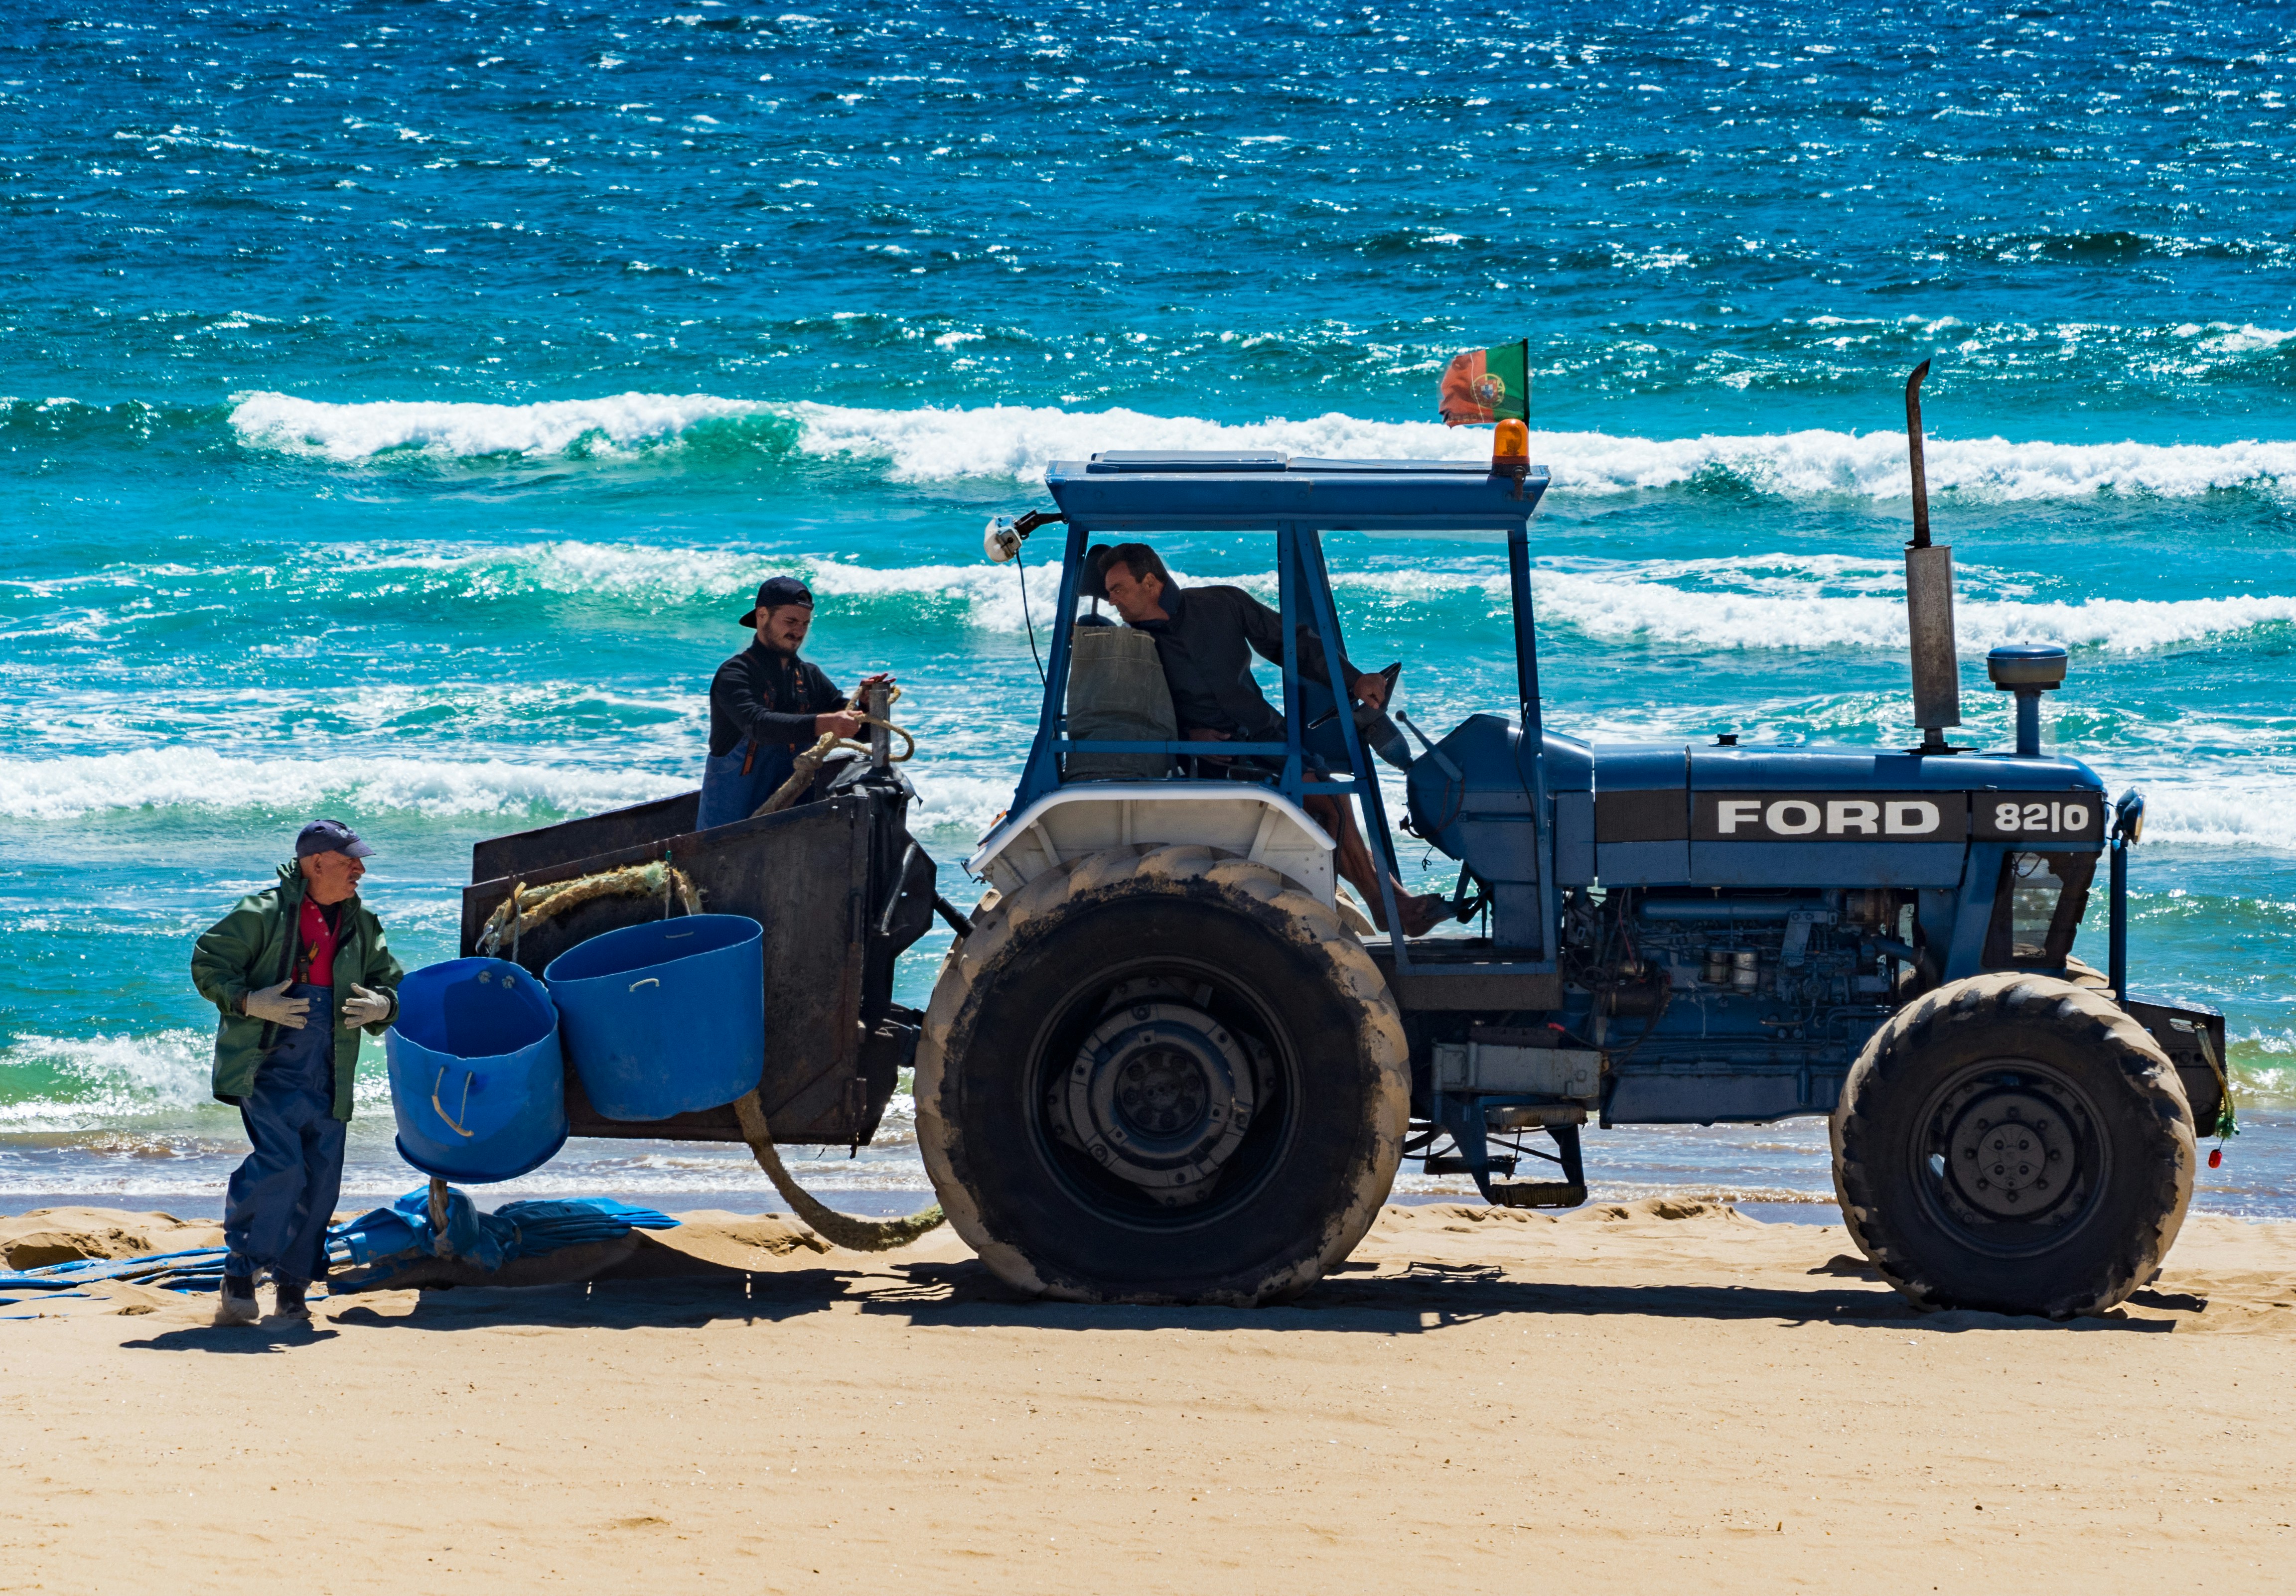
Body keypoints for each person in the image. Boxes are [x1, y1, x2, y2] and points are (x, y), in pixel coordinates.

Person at [1092, 543, 1445, 936]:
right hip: (1207, 759)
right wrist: (1188, 735)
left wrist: (1355, 680)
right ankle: (1384, 905)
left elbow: (1292, 645)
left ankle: (1388, 903)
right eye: (1109, 592)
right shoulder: (1132, 645)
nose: (1112, 601)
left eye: (1118, 589)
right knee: (1330, 799)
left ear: (1150, 582)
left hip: (1265, 735)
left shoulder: (1222, 603)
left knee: (1329, 799)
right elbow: (1137, 714)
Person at [190, 819, 403, 1325]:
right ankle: (241, 1272)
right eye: (349, 860)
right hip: (269, 1067)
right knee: (282, 1167)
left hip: (332, 1071)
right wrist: (249, 1001)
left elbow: (391, 983)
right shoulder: (260, 913)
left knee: (322, 1183)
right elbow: (208, 964)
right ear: (316, 863)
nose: (360, 869)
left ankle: (293, 1285)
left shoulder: (362, 922)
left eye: (360, 860)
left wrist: (384, 1005)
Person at [698, 575, 893, 829]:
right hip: (730, 827)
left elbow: (863, 733)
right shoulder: (735, 674)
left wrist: (866, 706)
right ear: (762, 615)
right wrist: (827, 723)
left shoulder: (810, 676)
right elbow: (759, 726)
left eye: (805, 624)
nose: (799, 632)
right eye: (790, 621)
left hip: (794, 825)